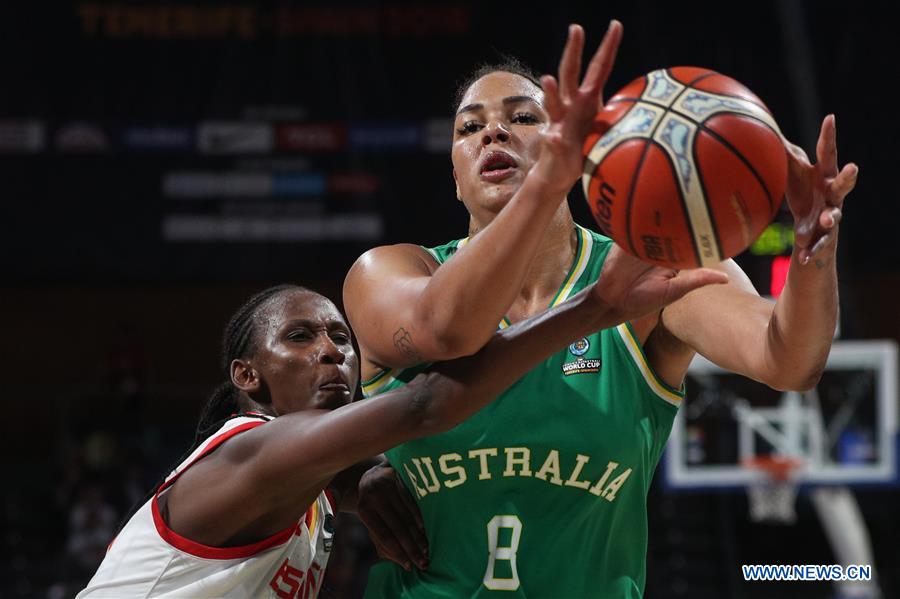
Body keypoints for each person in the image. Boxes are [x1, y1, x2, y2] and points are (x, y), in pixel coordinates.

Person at [343, 21, 858, 598]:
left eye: (523, 117)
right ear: (456, 179)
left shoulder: (649, 270)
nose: (494, 132)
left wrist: (814, 248)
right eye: (470, 127)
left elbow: (788, 362)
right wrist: (548, 183)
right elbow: (447, 331)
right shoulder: (387, 273)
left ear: (575, 152)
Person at [77, 260, 723, 597]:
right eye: (299, 337)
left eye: (341, 338)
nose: (331, 353)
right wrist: (596, 306)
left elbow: (332, 474)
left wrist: (361, 481)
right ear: (247, 375)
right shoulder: (250, 451)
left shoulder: (303, 482)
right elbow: (425, 406)